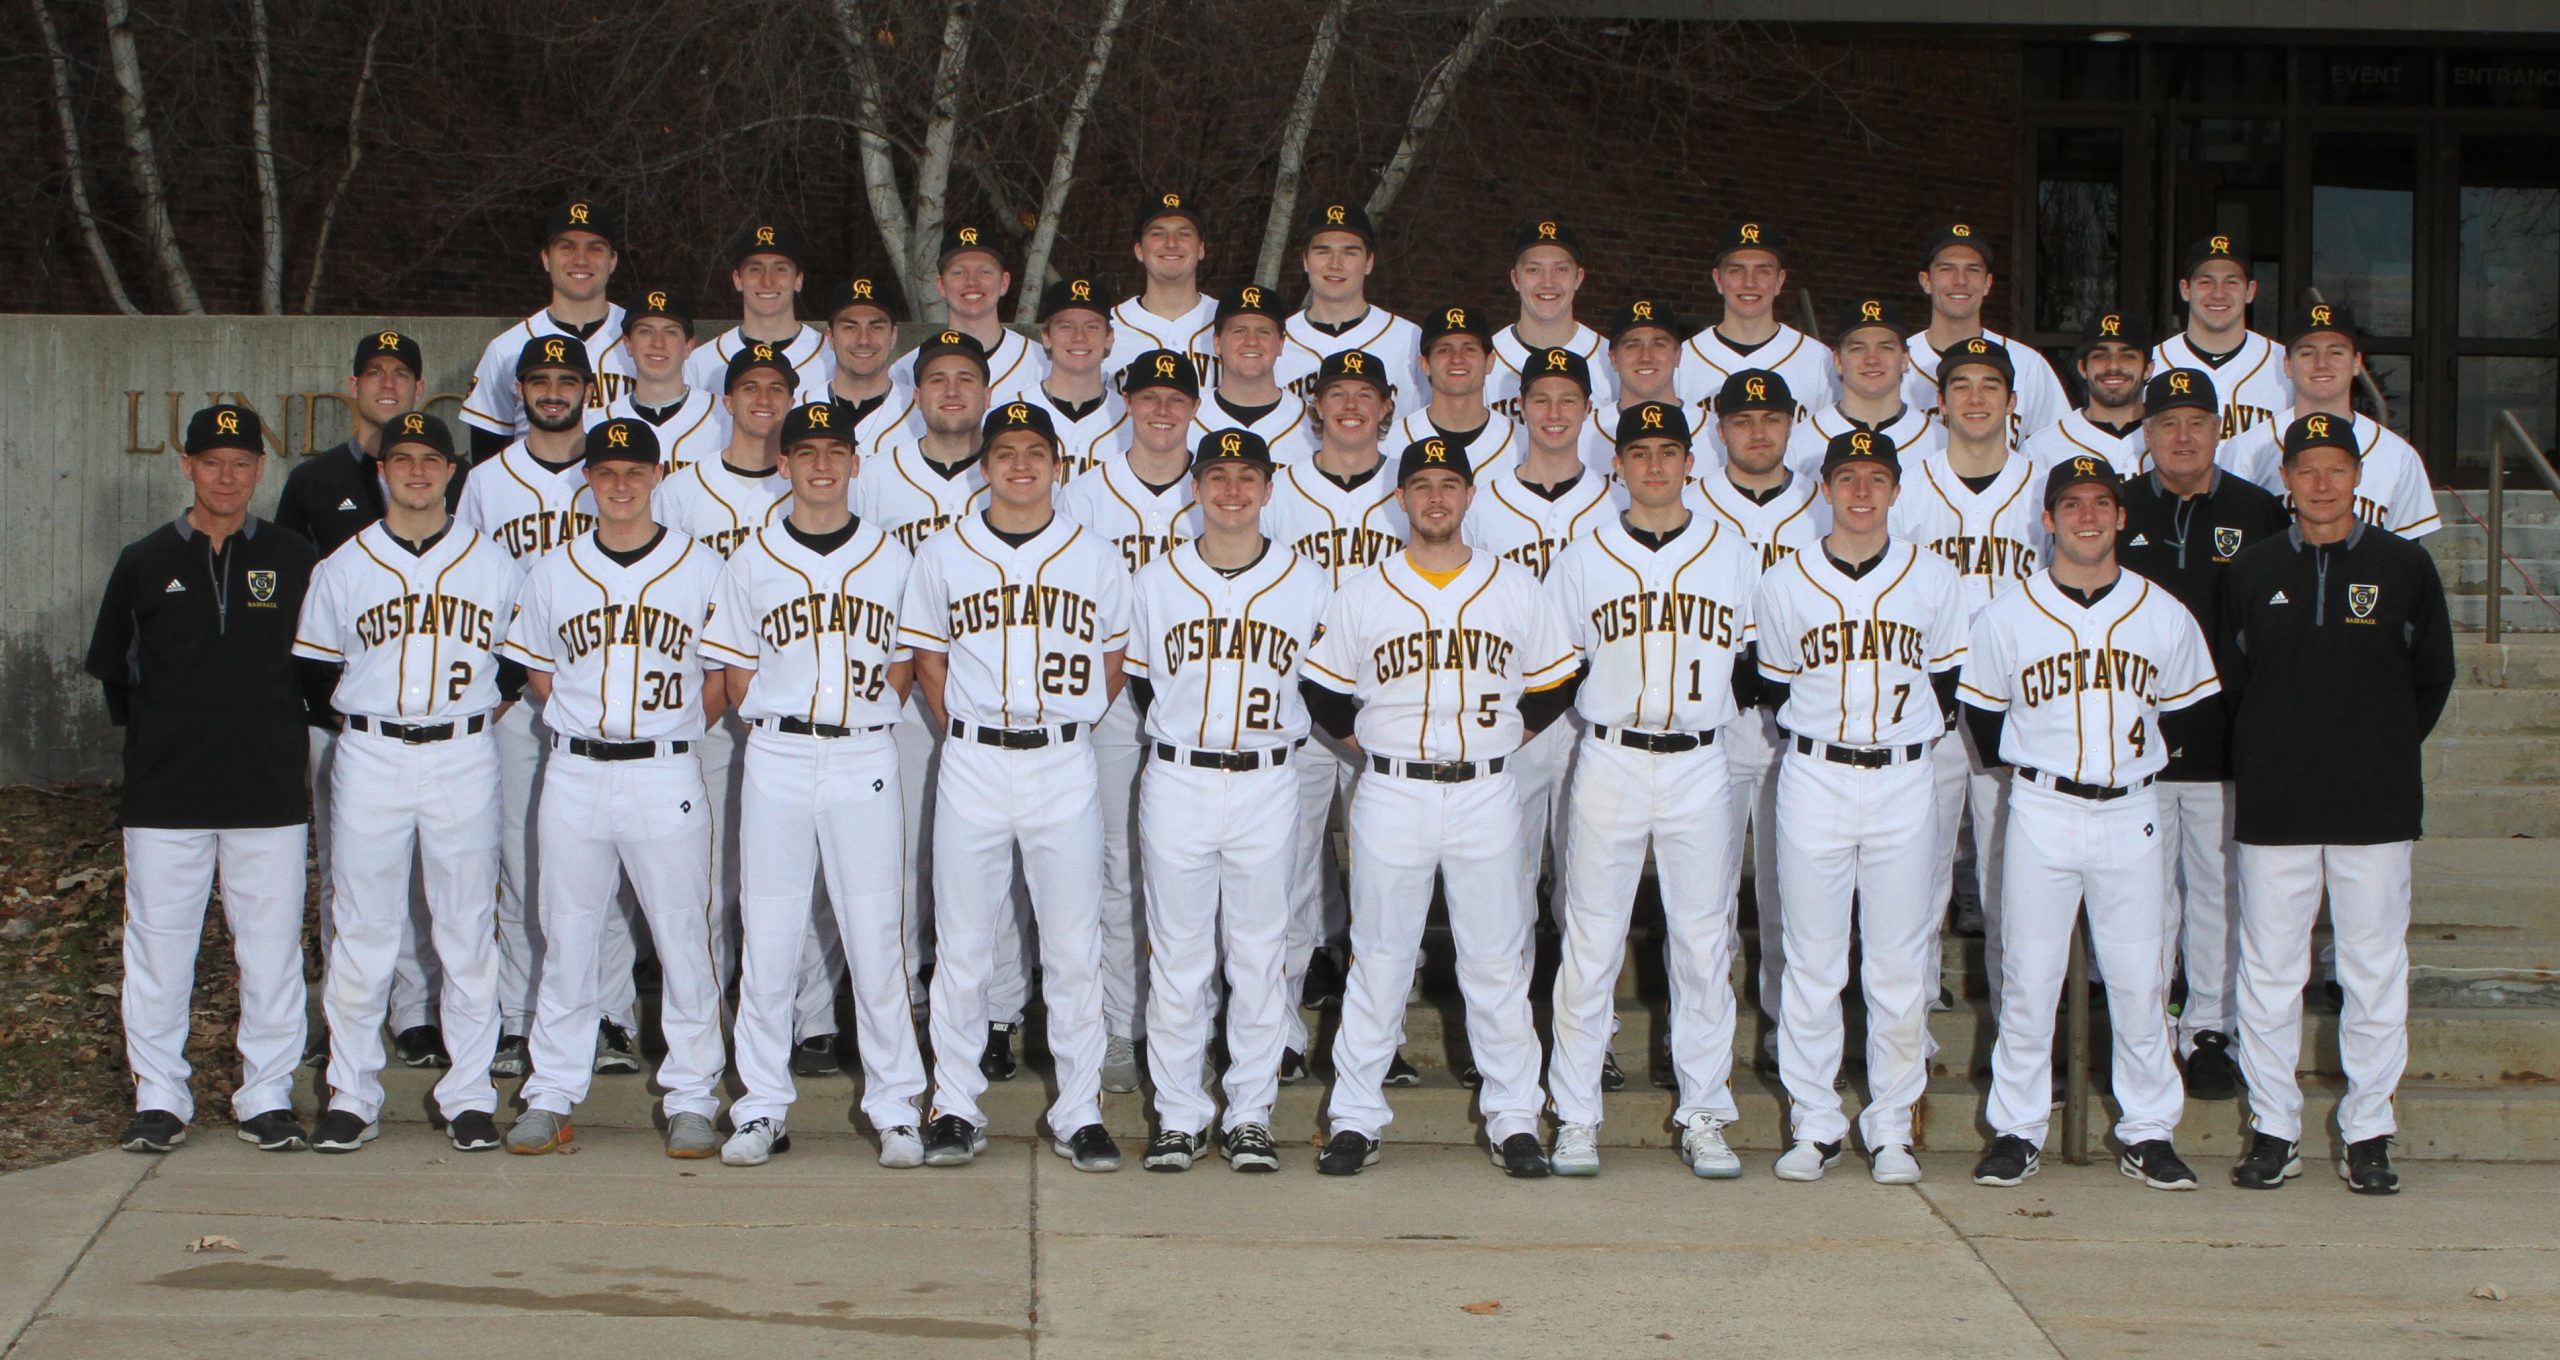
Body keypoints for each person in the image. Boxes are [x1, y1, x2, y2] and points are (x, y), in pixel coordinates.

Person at [1300, 435, 1581, 1179]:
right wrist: (1367, 745)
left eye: (1448, 484)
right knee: (1380, 960)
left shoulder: (1515, 585)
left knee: (1495, 960)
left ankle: (1515, 1117)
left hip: (1487, 789)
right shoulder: (1365, 590)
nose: (1435, 497)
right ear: (1400, 499)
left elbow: (1557, 679)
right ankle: (1356, 1118)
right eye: (1421, 484)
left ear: (1468, 495)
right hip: (1392, 790)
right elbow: (1321, 688)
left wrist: (1516, 730)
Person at [1959, 454, 2220, 1192]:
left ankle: (2147, 1130)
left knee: (2140, 978)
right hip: (2041, 804)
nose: (2087, 517)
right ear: (2047, 519)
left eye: (2101, 503)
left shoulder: (2162, 611)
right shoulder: (2007, 614)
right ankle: (2016, 1128)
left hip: (2131, 807)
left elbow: (2194, 713)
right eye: (2071, 504)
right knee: (2030, 976)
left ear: (2121, 516)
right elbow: (1981, 714)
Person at [2221, 412, 2454, 1196]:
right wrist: (2275, 750)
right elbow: (2233, 684)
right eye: (2306, 470)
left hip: (2374, 803)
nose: (2321, 485)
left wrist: (2376, 745)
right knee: (2269, 971)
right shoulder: (2251, 571)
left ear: (2359, 478)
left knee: (2373, 970)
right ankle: (2274, 1129)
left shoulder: (2404, 566)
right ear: (2284, 479)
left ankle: (2369, 1132)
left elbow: (2432, 679)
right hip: (2277, 803)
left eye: (2336, 469)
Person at [904, 401, 1134, 1173]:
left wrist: (1064, 728)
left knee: (1072, 946)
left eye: (1037, 451)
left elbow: (1111, 662)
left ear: (1058, 467)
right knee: (963, 945)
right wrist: (964, 726)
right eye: (1006, 452)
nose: (1021, 465)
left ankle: (1079, 1110)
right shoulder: (943, 553)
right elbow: (929, 661)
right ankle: (955, 1106)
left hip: (1063, 760)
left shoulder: (1096, 556)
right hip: (972, 758)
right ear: (985, 464)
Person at [702, 399, 929, 1170]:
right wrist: (779, 730)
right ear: (785, 464)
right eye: (807, 453)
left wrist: (865, 719)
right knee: (767, 937)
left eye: (836, 452)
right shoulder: (753, 557)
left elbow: (904, 665)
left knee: (876, 938)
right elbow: (735, 671)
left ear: (856, 463)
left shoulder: (894, 558)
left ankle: (897, 1106)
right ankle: (761, 1106)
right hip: (778, 755)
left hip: (864, 754)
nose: (822, 466)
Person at [93, 404, 321, 1155]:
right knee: (160, 951)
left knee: (271, 951)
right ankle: (159, 1097)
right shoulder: (143, 562)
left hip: (268, 792)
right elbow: (118, 682)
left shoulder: (295, 558)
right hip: (167, 796)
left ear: (261, 469)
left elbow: (318, 672)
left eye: (242, 462)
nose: (227, 476)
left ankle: (266, 1096)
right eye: (212, 461)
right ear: (186, 466)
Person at [1543, 396, 1760, 1177]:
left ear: (1690, 463)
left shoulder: (1734, 555)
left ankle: (1704, 1112)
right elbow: (1557, 668)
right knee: (1590, 942)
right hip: (1611, 755)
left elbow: (1752, 662)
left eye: (1669, 452)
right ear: (1620, 466)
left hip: (1702, 759)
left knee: (1705, 945)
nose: (1656, 465)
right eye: (1641, 454)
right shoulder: (1584, 555)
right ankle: (1575, 1116)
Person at [292, 412, 519, 1154]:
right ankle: (352, 1093)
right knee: (362, 930)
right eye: (403, 459)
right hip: (372, 754)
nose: (418, 471)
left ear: (453, 470)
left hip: (462, 752)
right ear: (382, 470)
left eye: (432, 459)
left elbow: (514, 670)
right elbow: (314, 676)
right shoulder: (343, 567)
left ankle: (470, 1095)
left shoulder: (493, 565)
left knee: (465, 931)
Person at [500, 417, 727, 1158]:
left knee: (682, 938)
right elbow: (538, 670)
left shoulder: (700, 567)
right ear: (587, 480)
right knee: (565, 934)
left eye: (635, 471)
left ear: (658, 476)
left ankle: (693, 1094)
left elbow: (722, 678)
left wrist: (678, 727)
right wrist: (583, 722)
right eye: (607, 472)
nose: (622, 484)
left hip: (665, 768)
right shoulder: (555, 571)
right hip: (576, 768)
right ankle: (552, 1092)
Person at [1753, 430, 1969, 1185]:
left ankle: (1891, 1126)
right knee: (1812, 960)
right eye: (1848, 478)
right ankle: (1815, 1123)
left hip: (1904, 776)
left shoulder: (1934, 577)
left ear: (1896, 490)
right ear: (1827, 489)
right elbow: (1775, 687)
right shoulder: (1787, 580)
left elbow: (1948, 682)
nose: (1861, 492)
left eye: (1876, 478)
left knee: (1899, 962)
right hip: (1814, 772)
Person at [1124, 428, 1328, 1171]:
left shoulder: (1307, 580)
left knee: (1258, 954)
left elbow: (1318, 680)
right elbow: (1147, 681)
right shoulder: (1156, 579)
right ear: (1196, 488)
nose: (1232, 491)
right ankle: (1178, 1115)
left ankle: (1250, 1114)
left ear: (1269, 489)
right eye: (1218, 477)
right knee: (1178, 955)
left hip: (1268, 777)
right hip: (1177, 774)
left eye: (1247, 477)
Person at [452, 336, 639, 1080]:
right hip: (514, 698)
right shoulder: (486, 482)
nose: (553, 390)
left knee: (613, 859)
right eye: (540, 380)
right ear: (519, 390)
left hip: (603, 692)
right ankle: (520, 1017)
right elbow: (459, 583)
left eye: (567, 379)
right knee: (520, 860)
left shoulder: (615, 476)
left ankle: (612, 1016)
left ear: (589, 391)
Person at [656, 346, 843, 1076]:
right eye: (748, 388)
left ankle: (815, 1020)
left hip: (790, 710)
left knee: (811, 875)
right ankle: (723, 1020)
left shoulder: (821, 483)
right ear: (725, 400)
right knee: (712, 879)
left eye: (777, 387)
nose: (762, 398)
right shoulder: (683, 490)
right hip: (706, 698)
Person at [857, 330, 1035, 1081]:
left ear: (988, 393)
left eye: (968, 378)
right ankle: (907, 1009)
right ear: (916, 393)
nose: (952, 390)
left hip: (993, 707)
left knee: (993, 875)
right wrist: (928, 698)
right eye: (938, 379)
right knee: (898, 865)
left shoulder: (1018, 477)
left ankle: (996, 1012)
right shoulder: (876, 476)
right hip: (901, 697)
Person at [277, 329, 450, 1073]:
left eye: (401, 373)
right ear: (352, 386)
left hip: (424, 718)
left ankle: (413, 1013)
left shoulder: (449, 477)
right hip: (337, 715)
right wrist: (318, 705)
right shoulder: (313, 482)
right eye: (373, 373)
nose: (387, 384)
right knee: (344, 876)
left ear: (418, 389)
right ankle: (343, 1011)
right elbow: (289, 600)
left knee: (419, 874)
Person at [2116, 369, 2290, 1101]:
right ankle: (2146, 1028)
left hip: (2226, 735)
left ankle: (2210, 1029)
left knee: (2218, 893)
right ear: (2146, 433)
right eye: (2167, 424)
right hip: (2135, 739)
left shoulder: (2258, 511)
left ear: (2220, 429)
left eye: (2196, 422)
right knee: (2145, 898)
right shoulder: (2115, 508)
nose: (2182, 437)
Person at [1060, 350, 1205, 1093]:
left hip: (1202, 700)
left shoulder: (1223, 484)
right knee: (1118, 869)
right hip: (1115, 699)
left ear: (1192, 405)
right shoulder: (1085, 494)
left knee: (1199, 875)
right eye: (1148, 396)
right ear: (1126, 401)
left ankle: (1195, 1028)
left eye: (1174, 398)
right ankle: (1122, 1027)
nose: (1160, 410)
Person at [1262, 350, 1410, 1076]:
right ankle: (1283, 1035)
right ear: (1314, 404)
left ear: (1389, 405)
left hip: (1393, 706)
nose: (1351, 405)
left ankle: (1383, 1042)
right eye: (1337, 393)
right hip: (1298, 703)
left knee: (1386, 883)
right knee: (1288, 876)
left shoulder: (1416, 486)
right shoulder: (1281, 490)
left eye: (1366, 394)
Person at [1892, 338, 2045, 1015]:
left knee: (2011, 868)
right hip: (1928, 695)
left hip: (2018, 701)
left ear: (2013, 403)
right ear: (1941, 402)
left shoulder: (2046, 484)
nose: (1976, 397)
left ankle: (2015, 1010)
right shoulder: (1907, 486)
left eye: (1990, 386)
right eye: (1962, 386)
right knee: (1918, 865)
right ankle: (1912, 1009)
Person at [1690, 371, 1825, 1080]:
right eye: (1743, 420)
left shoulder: (1822, 503)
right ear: (1719, 425)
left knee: (1790, 898)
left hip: (1797, 719)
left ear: (1792, 423)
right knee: (1706, 903)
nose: (1757, 431)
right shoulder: (1690, 502)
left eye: (1770, 418)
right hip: (1716, 720)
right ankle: (1704, 1050)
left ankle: (1784, 1038)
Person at [2218, 304, 2441, 542]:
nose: (2321, 363)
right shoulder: (2247, 449)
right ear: (2287, 365)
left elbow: (2407, 558)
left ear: (2357, 363)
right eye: (2307, 353)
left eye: (2336, 352)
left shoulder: (2399, 456)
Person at [460, 199, 631, 460]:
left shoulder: (647, 343)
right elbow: (487, 458)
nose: (581, 259)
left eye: (595, 248)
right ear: (546, 259)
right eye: (567, 247)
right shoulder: (507, 348)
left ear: (612, 261)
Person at [1676, 222, 1837, 460]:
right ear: (1718, 279)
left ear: (1780, 280)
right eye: (1736, 270)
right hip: (1700, 494)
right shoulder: (1682, 359)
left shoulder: (1818, 359)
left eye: (1763, 270)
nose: (1749, 282)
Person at [1903, 224, 2071, 439]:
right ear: (1926, 281)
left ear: (1988, 283)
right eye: (1947, 269)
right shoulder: (1895, 365)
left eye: (1973, 269)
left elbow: (2058, 452)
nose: (1960, 281)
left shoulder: (2027, 364)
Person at [1274, 201, 1425, 406]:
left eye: (1349, 252)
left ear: (1369, 262)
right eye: (1323, 251)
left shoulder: (1409, 339)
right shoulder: (1274, 342)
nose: (1335, 264)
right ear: (1305, 261)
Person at [2148, 236, 2292, 443]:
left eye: (2231, 282)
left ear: (2250, 291)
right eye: (2206, 282)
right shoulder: (2152, 365)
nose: (2218, 294)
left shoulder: (2285, 365)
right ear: (2185, 289)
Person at [890, 223, 1047, 405]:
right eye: (959, 272)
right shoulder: (907, 371)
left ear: (1004, 283)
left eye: (984, 271)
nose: (972, 282)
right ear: (941, 285)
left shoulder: (1042, 364)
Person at [1786, 299, 1943, 479]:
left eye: (1885, 348)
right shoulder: (1798, 442)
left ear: (1905, 359)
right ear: (1837, 361)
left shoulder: (1939, 442)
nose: (1872, 359)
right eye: (1858, 348)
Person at [684, 219, 832, 403]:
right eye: (755, 269)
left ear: (798, 279)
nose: (767, 281)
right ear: (737, 279)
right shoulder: (701, 362)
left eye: (780, 269)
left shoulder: (832, 359)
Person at [1487, 219, 1614, 419]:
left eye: (1561, 269)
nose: (1548, 282)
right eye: (1534, 270)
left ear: (1578, 278)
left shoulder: (1609, 361)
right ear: (1515, 279)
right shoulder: (1484, 360)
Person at [1389, 305, 1522, 483]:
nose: (1457, 359)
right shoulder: (1391, 443)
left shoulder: (1523, 444)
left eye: (1469, 349)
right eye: (1444, 349)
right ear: (1424, 364)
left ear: (1490, 362)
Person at [1189, 285, 1318, 463]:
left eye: (1263, 332)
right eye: (1239, 331)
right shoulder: (1187, 420)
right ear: (1217, 342)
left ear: (1280, 344)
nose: (1251, 342)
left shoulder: (1313, 424)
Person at [606, 289, 728, 473]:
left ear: (688, 346)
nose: (658, 344)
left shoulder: (725, 418)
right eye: (645, 331)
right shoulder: (600, 422)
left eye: (670, 332)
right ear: (628, 344)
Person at [1106, 192, 1219, 386]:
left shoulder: (1232, 324)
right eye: (1158, 234)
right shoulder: (1106, 328)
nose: (1171, 243)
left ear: (1201, 248)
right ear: (1139, 250)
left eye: (1184, 234)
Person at [1575, 297, 1697, 475]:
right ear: (1614, 359)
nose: (1646, 356)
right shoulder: (1583, 434)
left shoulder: (1713, 430)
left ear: (1678, 355)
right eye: (1632, 345)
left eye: (1659, 344)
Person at [2022, 311, 2151, 476]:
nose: (2113, 367)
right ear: (2083, 368)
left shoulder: (2173, 443)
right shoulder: (2041, 449)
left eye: (2127, 356)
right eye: (2100, 356)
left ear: (2148, 369)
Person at [1031, 276, 1135, 480]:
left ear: (1109, 338)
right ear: (1046, 337)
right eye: (1066, 326)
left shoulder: (1131, 419)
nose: (1079, 337)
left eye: (1092, 326)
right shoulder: (1015, 410)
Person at [819, 275, 915, 455]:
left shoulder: (922, 411)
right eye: (850, 327)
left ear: (893, 335)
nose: (863, 340)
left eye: (876, 327)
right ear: (830, 337)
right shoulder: (799, 407)